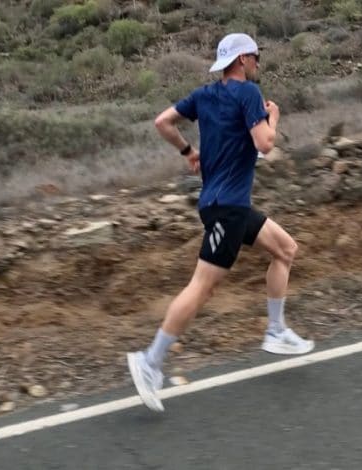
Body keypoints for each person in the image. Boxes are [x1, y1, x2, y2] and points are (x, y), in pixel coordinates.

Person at [127, 33, 314, 412]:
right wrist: (273, 117)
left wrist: (188, 152)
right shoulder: (247, 93)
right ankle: (149, 362)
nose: (258, 63)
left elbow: (163, 121)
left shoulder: (204, 95)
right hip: (226, 208)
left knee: (285, 249)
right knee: (202, 288)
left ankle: (276, 331)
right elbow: (264, 144)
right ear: (242, 59)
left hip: (229, 205)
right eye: (256, 57)